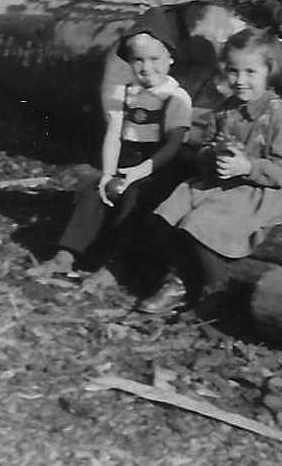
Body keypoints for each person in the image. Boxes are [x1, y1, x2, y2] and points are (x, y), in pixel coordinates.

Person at [137, 27, 282, 317]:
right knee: (171, 208)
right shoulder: (225, 110)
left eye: (250, 72)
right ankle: (182, 280)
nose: (240, 80)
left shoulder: (278, 113)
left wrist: (248, 166)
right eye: (233, 71)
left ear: (270, 71)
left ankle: (217, 292)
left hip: (263, 190)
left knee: (201, 222)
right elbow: (205, 150)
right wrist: (212, 157)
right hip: (223, 182)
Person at [28, 14, 192, 290]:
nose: (146, 67)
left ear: (170, 59)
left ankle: (114, 265)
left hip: (158, 165)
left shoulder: (175, 97)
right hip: (127, 159)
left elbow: (173, 145)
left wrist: (137, 173)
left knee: (135, 199)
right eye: (138, 60)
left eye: (155, 59)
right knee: (95, 192)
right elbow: (115, 134)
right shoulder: (126, 93)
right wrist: (107, 174)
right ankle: (65, 256)